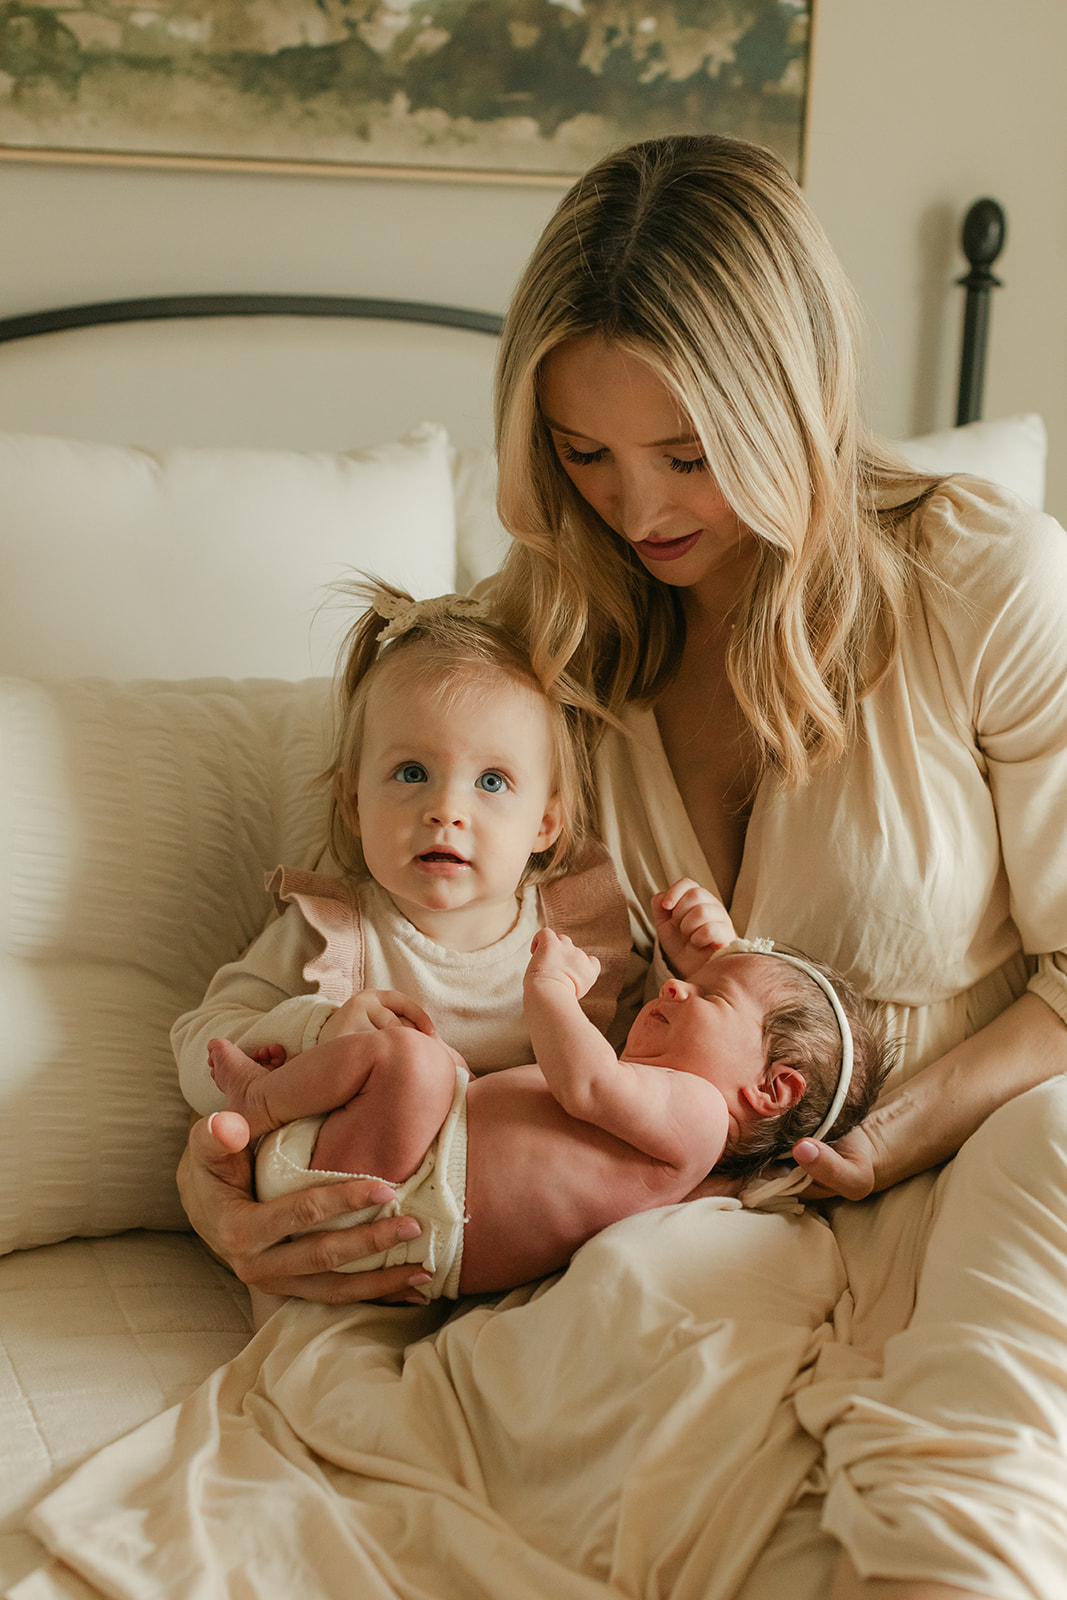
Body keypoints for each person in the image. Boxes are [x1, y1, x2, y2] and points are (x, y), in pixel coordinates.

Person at [177, 135, 1067, 1599]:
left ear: (793, 405)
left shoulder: (983, 580)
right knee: (662, 1402)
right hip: (681, 1208)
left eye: (689, 453)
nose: (637, 508)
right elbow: (344, 958)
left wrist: (893, 1139)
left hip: (981, 1137)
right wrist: (218, 1190)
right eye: (582, 455)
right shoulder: (517, 653)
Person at [206, 920, 892, 1299]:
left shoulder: (700, 1117)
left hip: (400, 1207)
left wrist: (551, 987)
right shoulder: (667, 1120)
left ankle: (260, 1100)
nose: (677, 986)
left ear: (771, 1091)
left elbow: (583, 1085)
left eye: (709, 997)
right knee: (428, 1062)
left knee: (411, 1063)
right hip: (405, 1206)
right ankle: (298, 1088)